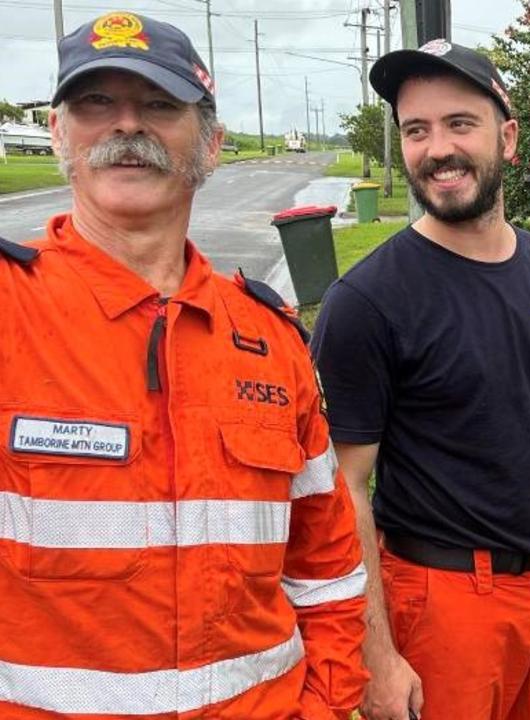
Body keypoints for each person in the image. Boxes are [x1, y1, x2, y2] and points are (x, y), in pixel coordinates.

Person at [0, 12, 368, 719]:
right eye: (95, 103)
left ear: (212, 145)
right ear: (58, 132)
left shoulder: (269, 337)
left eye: (161, 105)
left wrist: (324, 703)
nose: (125, 126)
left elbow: (325, 567)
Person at [312, 40, 530, 720]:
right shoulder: (368, 301)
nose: (438, 148)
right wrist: (376, 656)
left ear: (508, 135)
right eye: (417, 130)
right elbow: (341, 489)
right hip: (441, 600)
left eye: (459, 123)